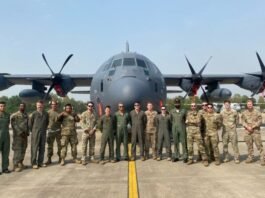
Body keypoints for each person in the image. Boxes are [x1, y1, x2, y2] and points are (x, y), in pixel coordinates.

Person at [241, 99, 265, 166]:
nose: (249, 105)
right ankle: (250, 157)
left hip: (255, 131)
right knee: (249, 146)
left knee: (259, 146)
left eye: (250, 104)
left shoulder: (257, 112)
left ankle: (263, 159)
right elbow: (242, 121)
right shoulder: (244, 113)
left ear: (252, 104)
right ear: (247, 105)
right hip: (247, 132)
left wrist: (253, 126)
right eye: (248, 104)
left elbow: (260, 121)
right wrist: (247, 127)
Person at [185, 102, 209, 167]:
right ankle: (190, 159)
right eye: (192, 106)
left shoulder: (199, 113)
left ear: (196, 107)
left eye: (194, 106)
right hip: (190, 132)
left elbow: (198, 121)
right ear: (190, 107)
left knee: (201, 146)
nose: (193, 107)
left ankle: (205, 159)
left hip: (197, 132)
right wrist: (192, 122)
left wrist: (190, 121)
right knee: (190, 147)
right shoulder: (188, 113)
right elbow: (186, 122)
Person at [29, 100, 49, 169]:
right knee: (34, 148)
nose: (39, 107)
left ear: (43, 106)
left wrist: (43, 130)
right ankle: (34, 163)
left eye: (41, 105)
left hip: (43, 133)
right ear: (36, 106)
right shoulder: (33, 114)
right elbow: (30, 124)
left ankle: (40, 162)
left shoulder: (46, 114)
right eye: (38, 105)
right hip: (35, 133)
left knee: (42, 148)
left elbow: (47, 123)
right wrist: (34, 131)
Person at [10, 103, 29, 172]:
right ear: (19, 107)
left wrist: (27, 132)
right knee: (17, 150)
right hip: (18, 136)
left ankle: (21, 163)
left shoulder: (26, 115)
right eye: (21, 106)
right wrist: (20, 133)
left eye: (23, 106)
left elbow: (27, 125)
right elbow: (13, 125)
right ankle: (15, 165)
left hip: (25, 136)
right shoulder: (15, 115)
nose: (22, 107)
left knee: (23, 149)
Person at [220, 100, 240, 164]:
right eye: (225, 104)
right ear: (224, 105)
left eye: (228, 104)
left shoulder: (234, 112)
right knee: (225, 145)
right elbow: (220, 120)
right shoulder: (222, 112)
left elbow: (237, 121)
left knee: (234, 144)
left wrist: (233, 126)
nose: (227, 105)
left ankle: (236, 158)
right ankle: (226, 157)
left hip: (232, 131)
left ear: (230, 104)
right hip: (225, 131)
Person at [170, 98, 188, 163]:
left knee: (183, 142)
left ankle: (185, 156)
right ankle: (176, 156)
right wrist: (174, 125)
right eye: (176, 103)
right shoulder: (172, 111)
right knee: (175, 142)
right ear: (174, 104)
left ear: (180, 103)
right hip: (174, 128)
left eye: (178, 103)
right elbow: (171, 120)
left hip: (182, 128)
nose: (177, 104)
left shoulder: (184, 111)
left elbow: (186, 119)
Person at [46, 100, 61, 165]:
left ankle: (61, 158)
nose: (54, 105)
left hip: (58, 131)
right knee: (50, 146)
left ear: (57, 105)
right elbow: (45, 121)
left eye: (55, 104)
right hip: (50, 131)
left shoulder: (60, 112)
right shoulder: (48, 112)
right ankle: (49, 159)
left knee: (60, 145)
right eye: (52, 104)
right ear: (51, 105)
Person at [0, 101, 11, 174]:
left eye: (3, 106)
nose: (2, 107)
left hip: (6, 135)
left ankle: (5, 168)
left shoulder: (7, 115)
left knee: (6, 152)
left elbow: (8, 124)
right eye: (1, 106)